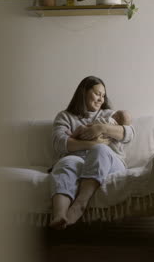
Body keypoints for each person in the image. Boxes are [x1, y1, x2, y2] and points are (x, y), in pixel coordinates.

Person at [49, 76, 135, 230]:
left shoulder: (109, 115)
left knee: (100, 149)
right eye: (97, 94)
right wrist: (92, 143)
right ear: (84, 93)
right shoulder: (65, 116)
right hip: (77, 160)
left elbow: (129, 133)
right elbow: (59, 143)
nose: (101, 99)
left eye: (103, 95)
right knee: (65, 163)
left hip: (109, 162)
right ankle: (60, 215)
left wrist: (101, 128)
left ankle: (80, 204)